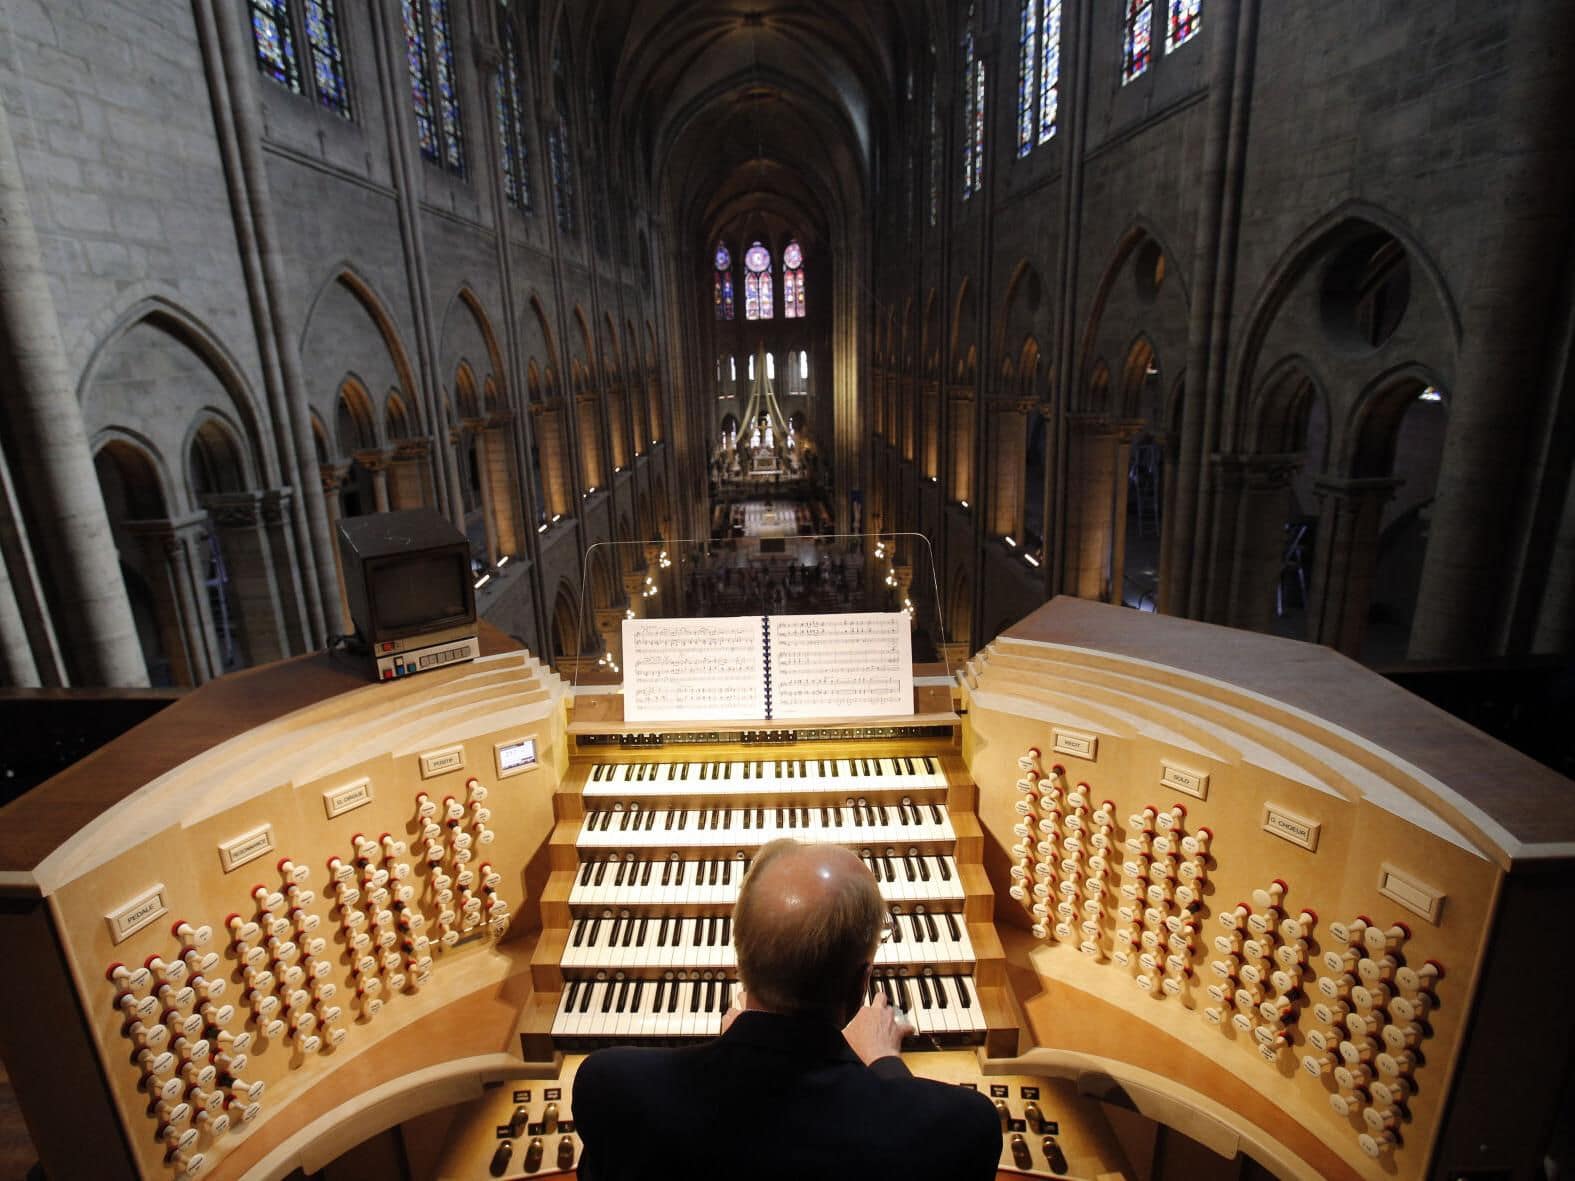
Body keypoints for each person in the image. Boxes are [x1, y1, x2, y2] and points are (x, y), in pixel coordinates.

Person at [572, 839, 1001, 1179]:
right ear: (861, 983)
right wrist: (886, 1066)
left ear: (740, 963)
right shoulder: (963, 1128)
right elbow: (909, 1128)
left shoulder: (611, 1086)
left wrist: (739, 1049)